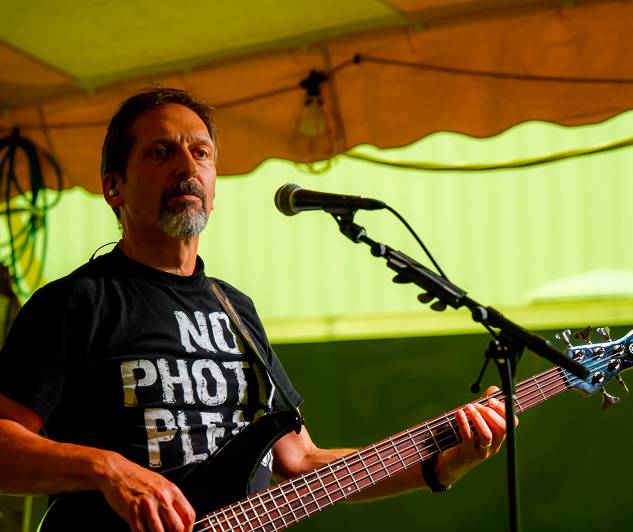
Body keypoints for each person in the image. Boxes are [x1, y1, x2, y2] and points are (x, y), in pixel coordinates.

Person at [0, 88, 512, 532]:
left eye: (201, 153)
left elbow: (299, 461)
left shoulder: (235, 309)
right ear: (114, 186)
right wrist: (107, 469)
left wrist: (442, 463)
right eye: (161, 152)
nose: (187, 166)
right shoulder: (77, 303)